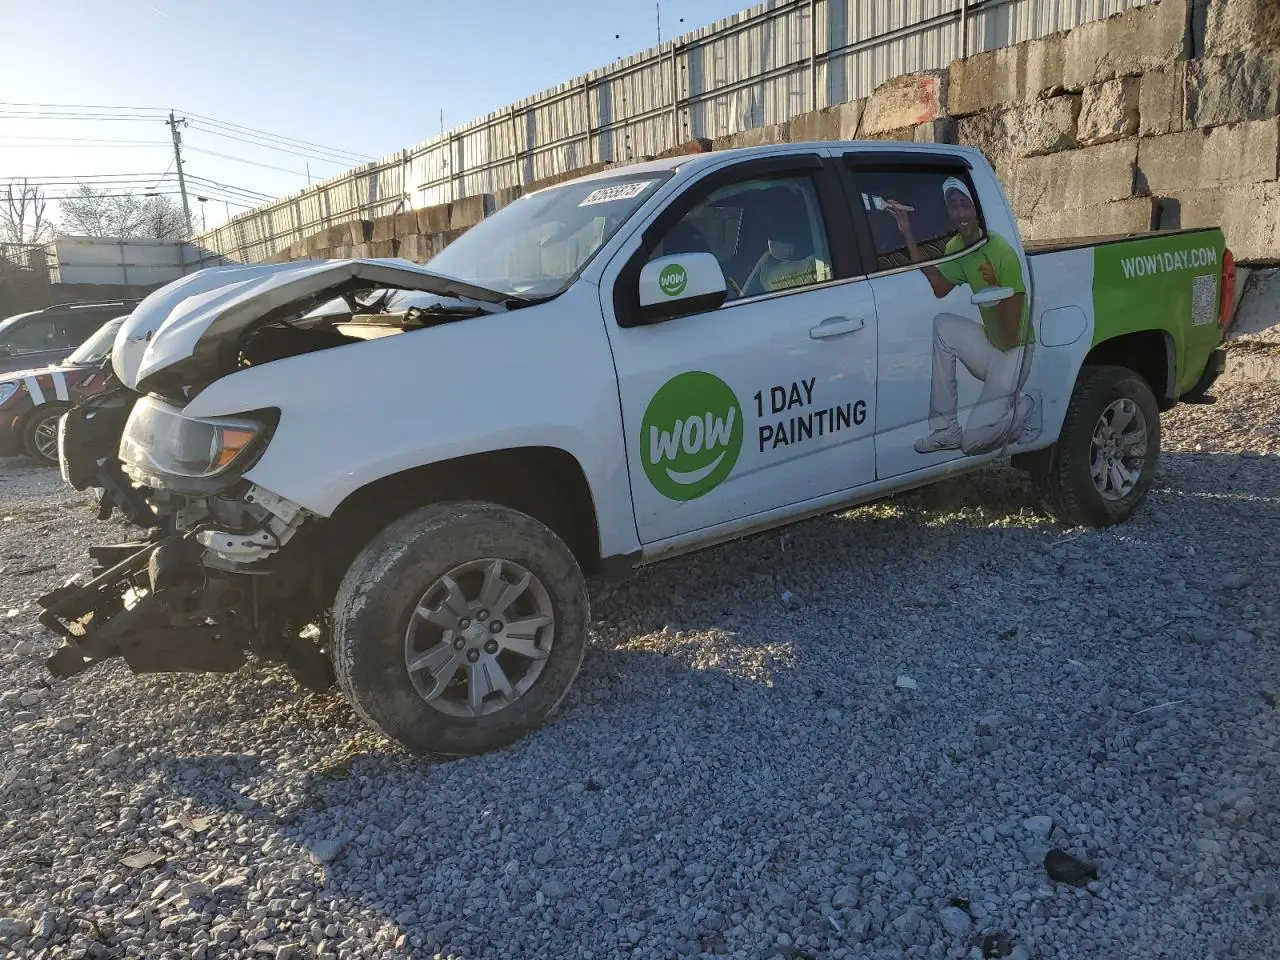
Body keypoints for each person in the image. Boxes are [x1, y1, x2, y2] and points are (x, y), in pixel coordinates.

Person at [884, 177, 1035, 455]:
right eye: (953, 206)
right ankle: (946, 429)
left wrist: (992, 288)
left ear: (976, 209)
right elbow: (940, 287)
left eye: (965, 205)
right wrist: (907, 233)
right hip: (992, 345)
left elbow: (1012, 335)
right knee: (942, 325)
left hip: (1014, 353)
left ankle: (1022, 409)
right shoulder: (956, 247)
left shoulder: (1001, 252)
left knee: (973, 443)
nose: (960, 213)